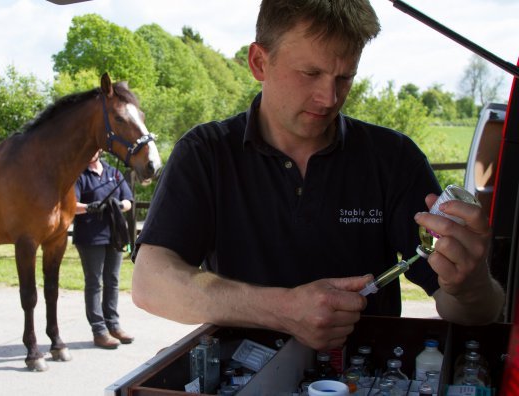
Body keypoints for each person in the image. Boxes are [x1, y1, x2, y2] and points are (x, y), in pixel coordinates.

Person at [132, 0, 505, 352]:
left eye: (345, 77)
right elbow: (150, 283)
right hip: (241, 377)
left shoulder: (393, 158)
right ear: (259, 62)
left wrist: (470, 287)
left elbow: (471, 312)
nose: (329, 98)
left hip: (364, 377)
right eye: (311, 73)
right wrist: (284, 309)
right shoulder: (206, 152)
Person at [74, 149, 134, 349]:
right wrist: (90, 207)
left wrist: (117, 205)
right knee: (94, 283)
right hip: (90, 237)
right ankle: (99, 330)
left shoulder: (113, 172)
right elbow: (71, 205)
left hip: (114, 235)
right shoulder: (79, 174)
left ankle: (113, 325)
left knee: (113, 280)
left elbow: (128, 200)